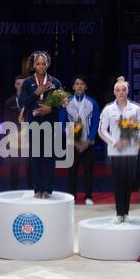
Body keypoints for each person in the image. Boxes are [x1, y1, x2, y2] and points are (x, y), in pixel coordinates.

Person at [18, 51, 67, 199]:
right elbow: (22, 102)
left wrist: (50, 108)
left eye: (43, 63)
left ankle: (48, 189)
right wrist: (36, 93)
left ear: (48, 64)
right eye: (38, 64)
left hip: (49, 125)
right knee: (35, 157)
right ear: (33, 65)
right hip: (33, 124)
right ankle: (37, 189)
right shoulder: (27, 82)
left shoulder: (55, 82)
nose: (41, 66)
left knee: (48, 158)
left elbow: (62, 103)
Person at [98, 76, 140, 224]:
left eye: (124, 90)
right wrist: (114, 141)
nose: (121, 93)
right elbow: (102, 130)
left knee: (128, 182)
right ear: (114, 92)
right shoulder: (108, 109)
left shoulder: (136, 109)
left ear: (128, 91)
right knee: (119, 181)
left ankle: (126, 212)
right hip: (116, 151)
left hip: (131, 150)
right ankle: (119, 213)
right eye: (118, 90)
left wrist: (130, 140)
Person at [60, 74, 99, 205]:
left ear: (86, 86)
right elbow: (61, 123)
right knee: (72, 171)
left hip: (88, 143)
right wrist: (73, 139)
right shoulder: (66, 102)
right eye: (77, 84)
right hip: (72, 143)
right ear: (73, 87)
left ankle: (88, 196)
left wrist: (87, 141)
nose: (79, 86)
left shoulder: (92, 102)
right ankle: (72, 196)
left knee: (88, 170)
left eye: (82, 84)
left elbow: (95, 124)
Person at [3, 75, 32, 190]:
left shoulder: (31, 101)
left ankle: (32, 192)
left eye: (23, 84)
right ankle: (12, 192)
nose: (21, 86)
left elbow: (33, 121)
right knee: (14, 168)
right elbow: (7, 121)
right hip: (14, 140)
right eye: (18, 84)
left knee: (30, 168)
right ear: (15, 85)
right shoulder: (9, 102)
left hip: (28, 139)